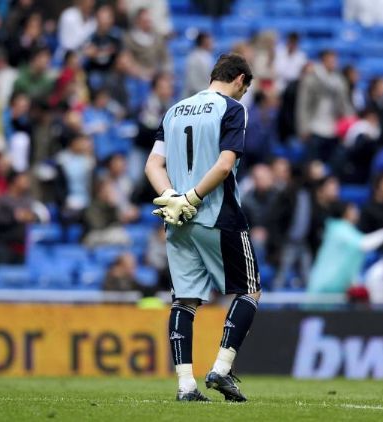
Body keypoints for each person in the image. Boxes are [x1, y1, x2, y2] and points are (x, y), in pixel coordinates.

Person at [145, 54, 260, 402]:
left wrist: (172, 197)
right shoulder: (233, 109)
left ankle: (185, 386)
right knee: (249, 291)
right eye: (245, 88)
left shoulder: (174, 110)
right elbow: (225, 165)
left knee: (185, 300)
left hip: (178, 220)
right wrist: (193, 197)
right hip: (216, 214)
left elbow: (153, 163)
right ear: (239, 79)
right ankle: (221, 370)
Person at [307, 201, 383, 295]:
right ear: (345, 212)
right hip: (324, 287)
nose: (356, 212)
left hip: (338, 288)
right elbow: (365, 244)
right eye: (353, 209)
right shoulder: (338, 228)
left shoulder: (348, 230)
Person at [296, 50, 353, 163]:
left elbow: (345, 103)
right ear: (323, 60)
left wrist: (350, 122)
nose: (334, 63)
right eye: (331, 60)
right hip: (314, 126)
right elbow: (303, 104)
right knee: (313, 163)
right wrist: (303, 127)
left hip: (333, 127)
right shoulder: (311, 78)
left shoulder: (339, 80)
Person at [0, 171, 39, 264]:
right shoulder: (3, 200)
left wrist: (32, 216)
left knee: (20, 276)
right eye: (23, 179)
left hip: (22, 247)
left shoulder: (28, 200)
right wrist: (15, 217)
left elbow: (38, 216)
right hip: (5, 247)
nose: (27, 182)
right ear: (14, 181)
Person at [183, 32, 214, 98]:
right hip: (195, 96)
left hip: (202, 94)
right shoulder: (196, 57)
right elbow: (193, 83)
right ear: (204, 42)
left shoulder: (204, 56)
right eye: (210, 41)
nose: (212, 44)